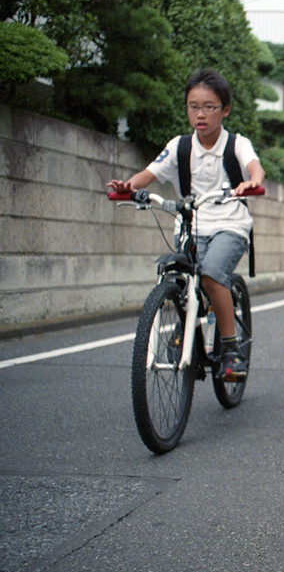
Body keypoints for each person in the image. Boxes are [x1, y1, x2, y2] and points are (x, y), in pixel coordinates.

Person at [106, 69, 265, 381]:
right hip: (191, 224)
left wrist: (253, 182)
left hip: (229, 224)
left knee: (209, 275)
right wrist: (128, 185)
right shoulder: (180, 146)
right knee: (180, 274)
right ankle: (186, 331)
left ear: (225, 110)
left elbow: (254, 166)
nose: (200, 114)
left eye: (209, 106)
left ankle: (231, 349)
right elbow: (148, 174)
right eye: (193, 106)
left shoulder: (236, 144)